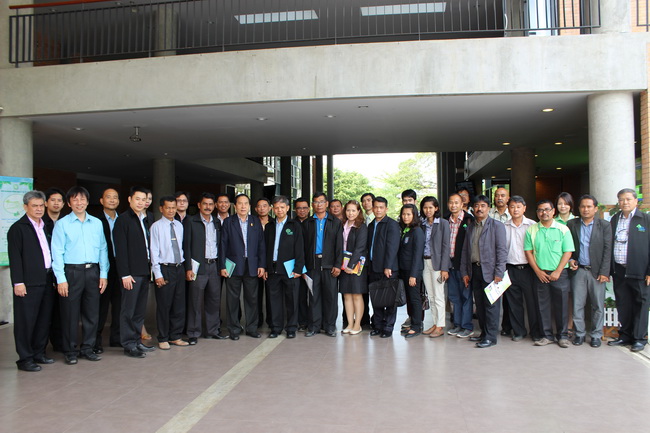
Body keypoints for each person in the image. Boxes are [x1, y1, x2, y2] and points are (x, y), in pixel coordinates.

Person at [51, 186, 109, 364]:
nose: (79, 203)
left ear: (87, 201)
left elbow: (103, 249)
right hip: (71, 272)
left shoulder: (96, 223)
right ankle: (70, 350)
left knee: (92, 313)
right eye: (75, 200)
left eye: (82, 199)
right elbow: (57, 252)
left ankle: (88, 348)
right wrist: (61, 279)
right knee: (70, 314)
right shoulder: (62, 224)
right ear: (69, 203)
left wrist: (103, 274)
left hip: (93, 272)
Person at [7, 191, 55, 371]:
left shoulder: (46, 226)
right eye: (34, 206)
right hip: (27, 283)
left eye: (41, 205)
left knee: (43, 320)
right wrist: (18, 282)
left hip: (47, 279)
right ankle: (25, 358)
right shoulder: (18, 228)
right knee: (25, 322)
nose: (39, 209)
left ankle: (38, 353)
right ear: (25, 207)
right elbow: (15, 257)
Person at [525, 199, 575, 348]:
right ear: (537, 213)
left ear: (553, 211)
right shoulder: (532, 230)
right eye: (540, 210)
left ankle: (563, 336)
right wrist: (537, 271)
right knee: (542, 306)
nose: (544, 213)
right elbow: (528, 252)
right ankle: (546, 336)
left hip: (560, 274)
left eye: (547, 209)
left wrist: (558, 271)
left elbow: (568, 251)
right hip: (540, 274)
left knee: (562, 306)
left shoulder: (563, 229)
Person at [460, 195, 507, 348]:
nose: (479, 209)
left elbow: (502, 251)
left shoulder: (497, 226)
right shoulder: (471, 226)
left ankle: (491, 337)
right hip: (474, 270)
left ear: (488, 208)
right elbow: (465, 251)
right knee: (479, 305)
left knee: (491, 306)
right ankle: (483, 333)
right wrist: (464, 272)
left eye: (483, 205)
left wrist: (499, 272)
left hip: (491, 272)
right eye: (476, 205)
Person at [113, 186, 154, 358]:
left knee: (139, 310)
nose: (141, 202)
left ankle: (137, 341)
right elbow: (120, 250)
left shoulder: (146, 219)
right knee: (128, 311)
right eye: (137, 199)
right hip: (131, 274)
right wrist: (125, 274)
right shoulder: (123, 220)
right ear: (130, 199)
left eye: (143, 199)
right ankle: (128, 344)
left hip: (144, 271)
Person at [608, 188, 650, 353]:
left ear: (636, 201)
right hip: (619, 270)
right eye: (621, 199)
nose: (624, 202)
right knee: (623, 303)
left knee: (641, 304)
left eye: (628, 199)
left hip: (640, 271)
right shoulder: (615, 219)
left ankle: (639, 338)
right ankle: (625, 335)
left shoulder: (645, 219)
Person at [567, 194, 611, 348]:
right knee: (577, 304)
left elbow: (607, 250)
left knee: (597, 305)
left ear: (595, 208)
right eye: (583, 206)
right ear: (579, 208)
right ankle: (579, 334)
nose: (585, 209)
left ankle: (596, 335)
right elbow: (567, 247)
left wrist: (605, 272)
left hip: (597, 271)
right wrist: (570, 260)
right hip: (579, 270)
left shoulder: (604, 225)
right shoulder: (571, 224)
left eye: (589, 206)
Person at [220, 194, 266, 340]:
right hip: (233, 266)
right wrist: (222, 265)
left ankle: (251, 328)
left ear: (249, 206)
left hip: (252, 265)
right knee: (232, 299)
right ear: (235, 206)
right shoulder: (228, 222)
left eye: (246, 203)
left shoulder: (255, 221)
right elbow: (223, 245)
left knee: (252, 299)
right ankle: (234, 329)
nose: (243, 206)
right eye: (240, 203)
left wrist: (262, 265)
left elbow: (261, 245)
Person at [183, 192, 224, 344]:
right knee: (195, 300)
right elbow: (186, 246)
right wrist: (188, 268)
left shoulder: (217, 222)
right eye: (205, 204)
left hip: (214, 265)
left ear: (214, 206)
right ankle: (193, 333)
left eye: (211, 204)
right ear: (199, 205)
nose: (208, 207)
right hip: (197, 266)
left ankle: (212, 330)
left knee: (214, 300)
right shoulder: (190, 221)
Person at [149, 196, 189, 350]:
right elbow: (154, 251)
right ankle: (163, 337)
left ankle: (175, 336)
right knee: (164, 305)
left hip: (179, 267)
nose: (171, 210)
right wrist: (157, 273)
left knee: (179, 304)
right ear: (161, 209)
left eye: (173, 207)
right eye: (168, 207)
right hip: (164, 268)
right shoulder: (156, 227)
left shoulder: (179, 225)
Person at [263, 195, 305, 338]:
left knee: (292, 299)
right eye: (276, 208)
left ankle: (291, 328)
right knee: (274, 300)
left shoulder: (295, 225)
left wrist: (298, 268)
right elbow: (265, 248)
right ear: (272, 209)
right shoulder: (269, 226)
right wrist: (266, 267)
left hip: (290, 269)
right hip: (273, 269)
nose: (279, 210)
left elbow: (300, 248)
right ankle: (276, 328)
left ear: (287, 208)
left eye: (282, 207)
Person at [303, 192, 343, 337]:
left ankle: (330, 326)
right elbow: (303, 246)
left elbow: (339, 246)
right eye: (316, 202)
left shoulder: (335, 222)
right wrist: (303, 267)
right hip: (312, 264)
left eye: (321, 202)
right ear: (312, 205)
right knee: (314, 296)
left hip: (329, 264)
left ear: (326, 204)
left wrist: (337, 264)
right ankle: (314, 326)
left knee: (330, 297)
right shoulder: (308, 223)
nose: (318, 205)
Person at [503, 196, 540, 342]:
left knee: (532, 302)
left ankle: (535, 332)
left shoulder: (533, 225)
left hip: (528, 269)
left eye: (518, 206)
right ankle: (519, 331)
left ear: (524, 208)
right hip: (510, 268)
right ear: (508, 209)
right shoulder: (504, 226)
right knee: (514, 303)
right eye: (512, 206)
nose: (515, 209)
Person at [367, 196, 400, 338]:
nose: (378, 210)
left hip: (388, 269)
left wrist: (388, 266)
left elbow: (392, 248)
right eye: (376, 207)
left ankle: (388, 327)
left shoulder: (392, 224)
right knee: (376, 298)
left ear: (386, 209)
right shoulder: (371, 225)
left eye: (381, 207)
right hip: (373, 268)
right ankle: (378, 325)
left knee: (390, 300)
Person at [95, 187, 121, 354]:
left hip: (120, 268)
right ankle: (95, 341)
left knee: (119, 306)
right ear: (101, 201)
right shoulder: (96, 221)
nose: (112, 200)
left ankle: (116, 338)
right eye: (108, 197)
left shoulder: (123, 220)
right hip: (102, 269)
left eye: (115, 197)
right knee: (101, 306)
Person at [419, 196, 450, 338]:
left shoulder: (443, 223)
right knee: (431, 296)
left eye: (431, 207)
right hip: (425, 263)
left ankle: (440, 325)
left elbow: (446, 247)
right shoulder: (422, 224)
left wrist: (445, 268)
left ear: (436, 208)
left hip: (437, 264)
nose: (428, 210)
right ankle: (435, 323)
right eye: (425, 207)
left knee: (438, 296)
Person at [445, 193, 474, 339]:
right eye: (451, 202)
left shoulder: (469, 220)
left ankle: (466, 326)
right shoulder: (445, 220)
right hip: (450, 265)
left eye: (456, 202)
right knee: (454, 296)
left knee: (466, 296)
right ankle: (457, 324)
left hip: (463, 266)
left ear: (462, 204)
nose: (453, 205)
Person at [339, 200, 368, 335]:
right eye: (348, 210)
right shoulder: (342, 225)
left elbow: (360, 248)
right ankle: (350, 323)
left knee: (356, 294)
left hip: (356, 266)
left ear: (358, 212)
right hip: (343, 265)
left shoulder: (361, 227)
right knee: (347, 295)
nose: (350, 213)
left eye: (353, 210)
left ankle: (357, 325)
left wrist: (351, 265)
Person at [42, 187, 66, 352]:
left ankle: (59, 343)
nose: (56, 203)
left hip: (63, 272)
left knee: (60, 310)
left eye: (59, 201)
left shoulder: (65, 223)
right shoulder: (40, 223)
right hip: (46, 273)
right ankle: (41, 347)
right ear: (46, 203)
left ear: (64, 204)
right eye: (53, 200)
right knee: (45, 311)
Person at [398, 204, 424, 338]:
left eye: (408, 214)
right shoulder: (406, 230)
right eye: (403, 214)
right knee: (409, 298)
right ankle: (412, 322)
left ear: (414, 215)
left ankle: (416, 326)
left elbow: (417, 254)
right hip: (404, 270)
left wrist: (413, 275)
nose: (405, 217)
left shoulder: (417, 231)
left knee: (415, 299)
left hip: (413, 271)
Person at [255, 197, 274, 329]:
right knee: (256, 294)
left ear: (270, 208)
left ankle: (271, 320)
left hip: (270, 264)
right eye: (259, 206)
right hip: (255, 263)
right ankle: (257, 320)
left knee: (271, 294)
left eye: (265, 206)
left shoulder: (274, 223)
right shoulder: (252, 222)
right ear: (256, 209)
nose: (262, 208)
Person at [294, 197, 311, 330]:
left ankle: (315, 320)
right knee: (299, 294)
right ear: (295, 210)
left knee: (314, 294)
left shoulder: (313, 223)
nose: (302, 210)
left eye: (304, 208)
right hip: (295, 265)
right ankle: (302, 321)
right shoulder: (291, 224)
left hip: (312, 264)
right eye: (299, 208)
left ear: (309, 209)